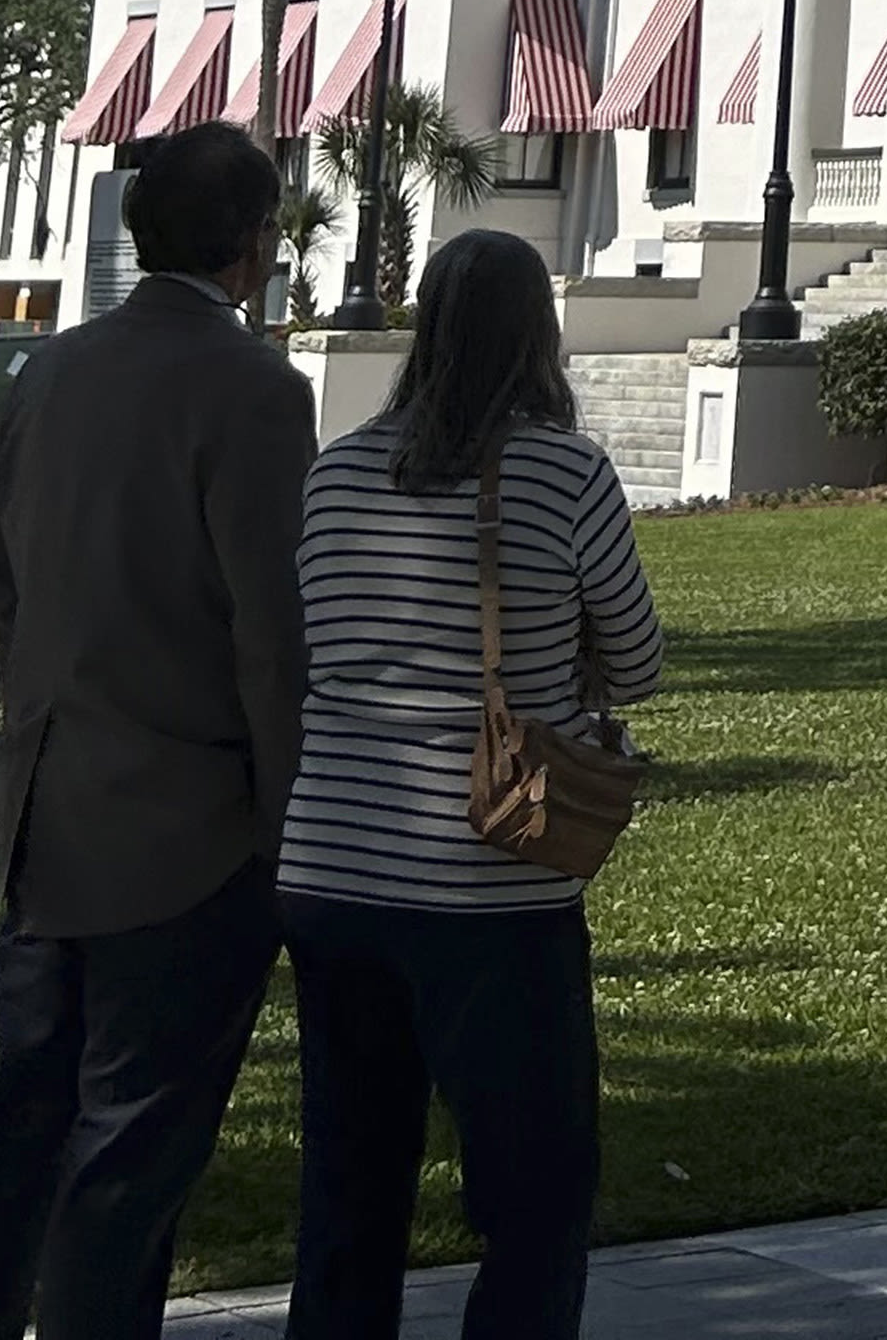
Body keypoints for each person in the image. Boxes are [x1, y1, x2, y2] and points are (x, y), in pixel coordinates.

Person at [0, 118, 312, 1340]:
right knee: (130, 1155)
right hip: (188, 827)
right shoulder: (255, 389)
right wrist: (285, 822)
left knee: (21, 1126)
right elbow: (272, 628)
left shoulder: (54, 371)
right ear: (256, 245)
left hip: (48, 804)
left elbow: (3, 586)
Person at [279, 228, 661, 1340]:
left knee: (350, 1181)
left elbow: (316, 635)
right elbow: (637, 658)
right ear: (538, 332)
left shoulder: (340, 466)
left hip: (334, 858)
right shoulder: (563, 469)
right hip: (490, 874)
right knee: (534, 1189)